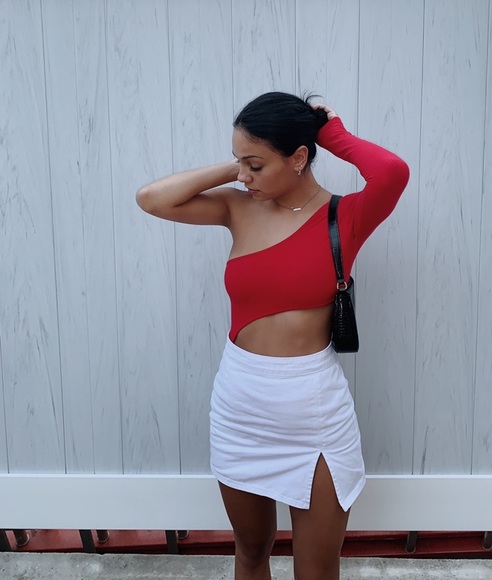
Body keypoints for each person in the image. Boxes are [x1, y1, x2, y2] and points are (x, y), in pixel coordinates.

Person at [136, 92, 409, 580]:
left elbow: (391, 172)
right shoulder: (238, 208)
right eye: (240, 163)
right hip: (240, 407)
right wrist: (242, 163)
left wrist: (331, 134)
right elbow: (152, 198)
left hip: (313, 414)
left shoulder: (345, 217)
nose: (245, 177)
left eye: (256, 165)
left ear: (299, 157)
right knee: (250, 551)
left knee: (316, 571)